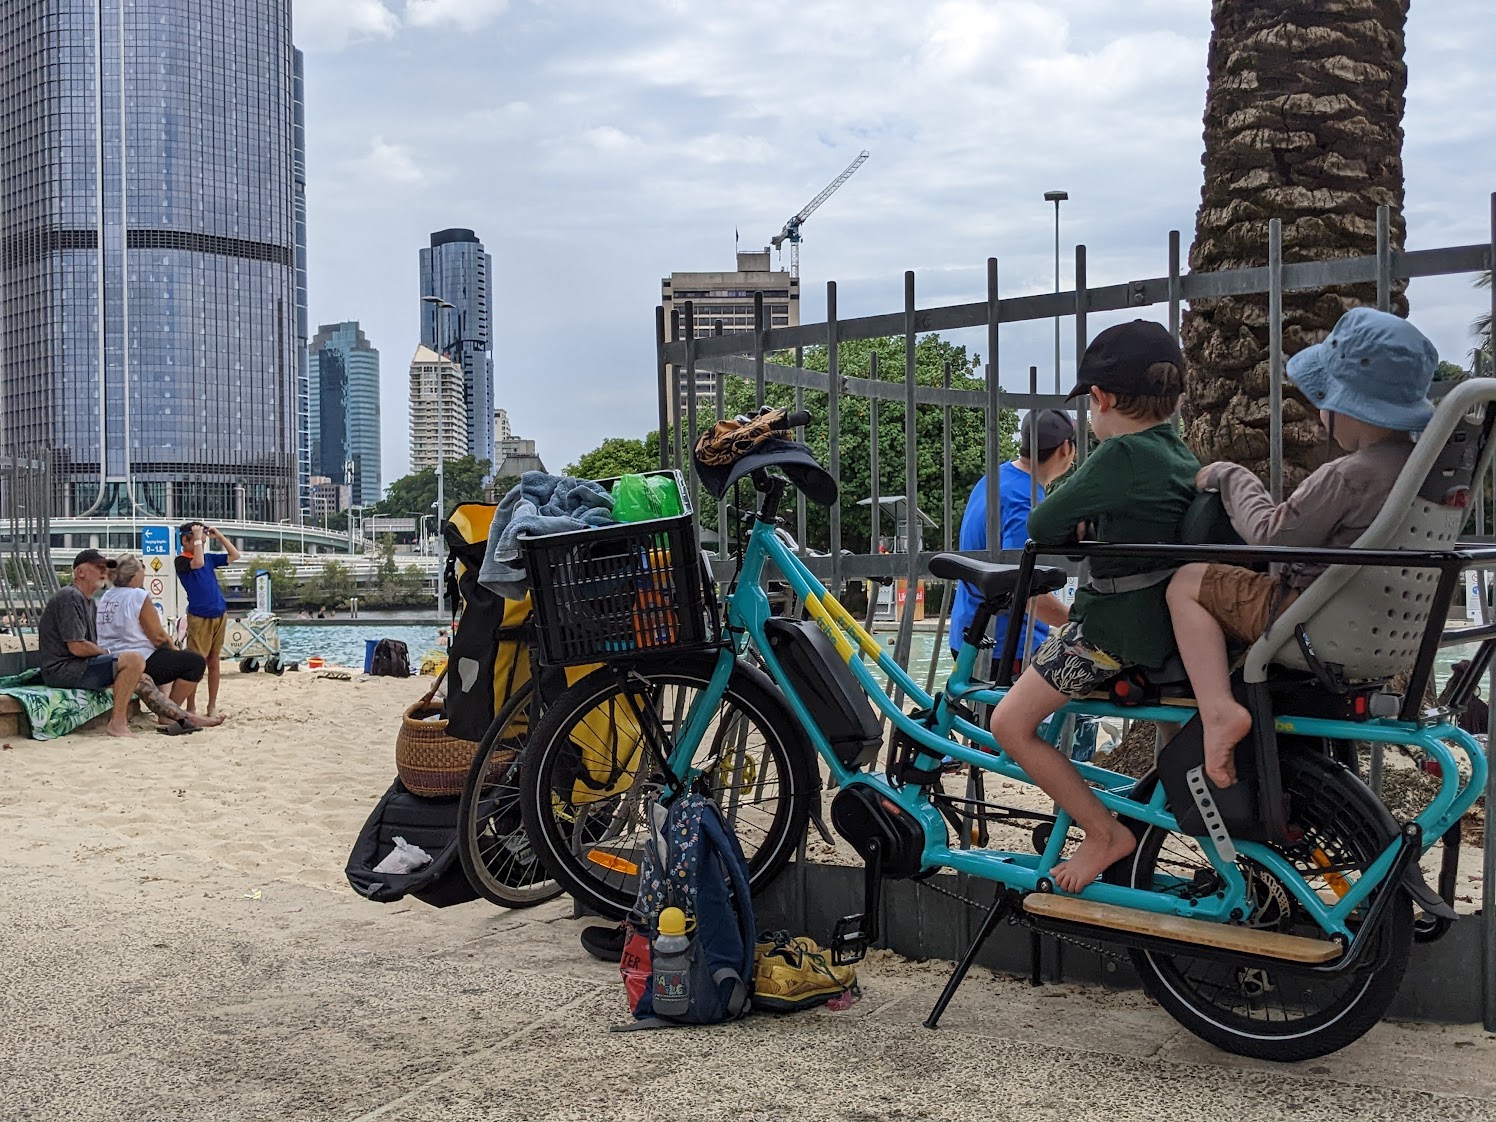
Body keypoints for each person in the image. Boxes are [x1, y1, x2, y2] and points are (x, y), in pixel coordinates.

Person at [1168, 307, 1439, 789]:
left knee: (1187, 582)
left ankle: (1217, 712)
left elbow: (1270, 533)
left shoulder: (1350, 474)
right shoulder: (1423, 471)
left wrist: (1233, 477)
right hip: (1389, 631)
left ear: (1348, 406)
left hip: (1313, 618)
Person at [989, 320, 1199, 892]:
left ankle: (1103, 832)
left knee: (1009, 722)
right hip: (1163, 627)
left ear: (1100, 400)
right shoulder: (1177, 453)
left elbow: (1042, 521)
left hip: (1111, 633)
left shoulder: (1120, 454)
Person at [39, 550, 223, 738]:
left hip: (78, 665)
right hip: (65, 669)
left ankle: (182, 717)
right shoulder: (70, 596)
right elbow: (77, 647)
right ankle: (118, 723)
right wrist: (108, 653)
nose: (103, 572)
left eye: (105, 568)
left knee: (143, 678)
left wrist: (109, 655)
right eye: (97, 567)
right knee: (138, 660)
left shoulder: (97, 600)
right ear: (80, 572)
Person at [949, 409, 1077, 664]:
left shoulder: (995, 478)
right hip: (1007, 647)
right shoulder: (1026, 503)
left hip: (969, 632)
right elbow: (1024, 591)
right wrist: (1081, 622)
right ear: (1065, 449)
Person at [98, 554, 209, 720]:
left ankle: (166, 709)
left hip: (110, 658)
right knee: (195, 663)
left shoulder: (107, 596)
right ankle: (169, 712)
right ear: (135, 575)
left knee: (170, 658)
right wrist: (174, 649)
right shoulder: (137, 595)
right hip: (139, 659)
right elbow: (158, 636)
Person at [175, 521, 240, 717]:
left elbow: (235, 556)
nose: (201, 539)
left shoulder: (208, 558)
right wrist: (196, 540)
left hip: (219, 613)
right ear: (187, 540)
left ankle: (211, 706)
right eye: (197, 536)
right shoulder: (181, 560)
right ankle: (191, 706)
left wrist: (219, 537)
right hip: (199, 616)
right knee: (196, 663)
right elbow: (198, 563)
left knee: (214, 661)